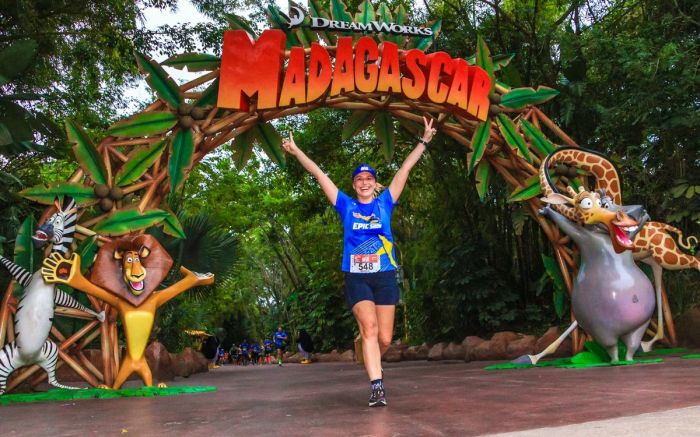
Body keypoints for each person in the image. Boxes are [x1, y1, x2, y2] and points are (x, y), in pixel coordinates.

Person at [282, 116, 437, 407]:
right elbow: (319, 175)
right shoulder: (346, 205)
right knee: (370, 329)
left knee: (386, 339)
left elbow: (405, 168)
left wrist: (424, 140)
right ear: (354, 185)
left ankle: (368, 352)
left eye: (369, 178)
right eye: (359, 179)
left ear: (375, 183)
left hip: (385, 276)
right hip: (357, 277)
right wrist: (296, 150)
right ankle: (377, 387)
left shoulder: (386, 201)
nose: (364, 182)